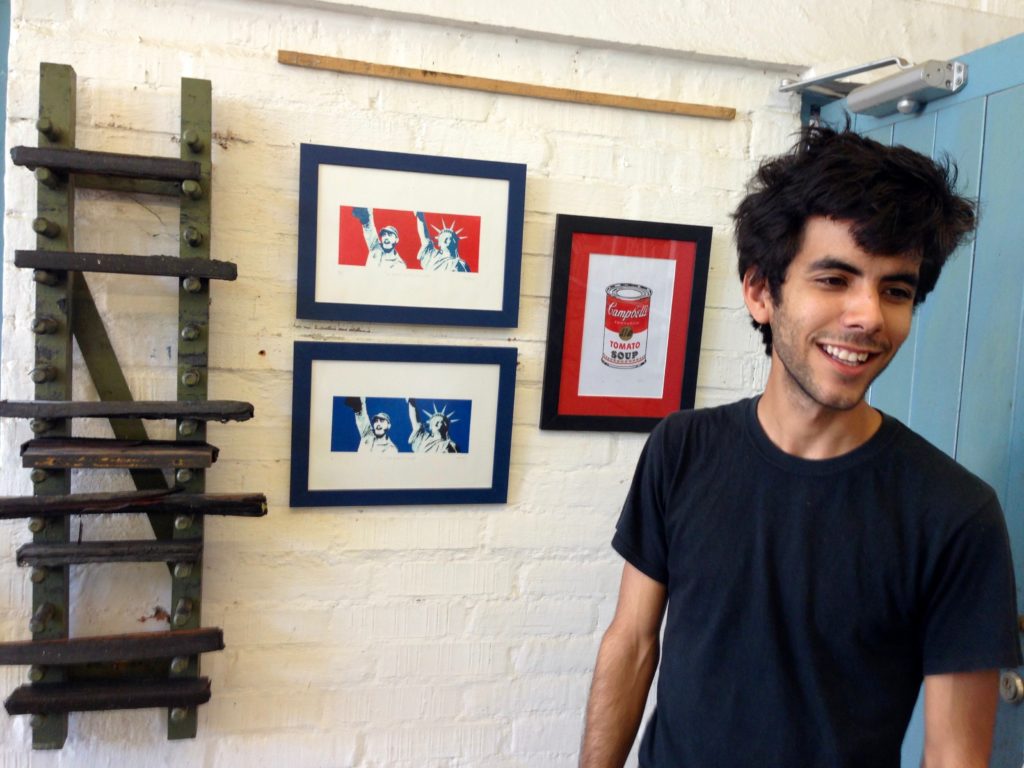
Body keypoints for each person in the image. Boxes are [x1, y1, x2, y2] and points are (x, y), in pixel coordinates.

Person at [579, 126, 1021, 768]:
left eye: (895, 290)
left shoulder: (955, 514)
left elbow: (955, 755)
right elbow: (633, 641)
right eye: (835, 279)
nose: (869, 315)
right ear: (761, 291)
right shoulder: (681, 449)